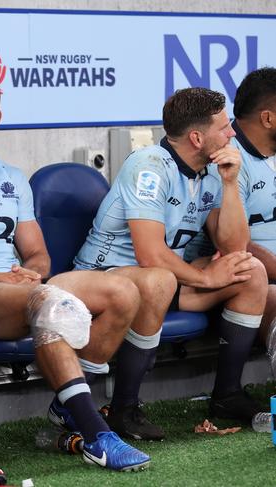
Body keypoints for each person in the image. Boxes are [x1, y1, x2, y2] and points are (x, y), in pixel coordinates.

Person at [0, 70, 155, 471]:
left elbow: (37, 253)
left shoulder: (12, 178)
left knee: (122, 293)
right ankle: (96, 437)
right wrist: (5, 279)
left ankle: (67, 405)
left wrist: (31, 273)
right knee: (48, 302)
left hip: (18, 287)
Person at [74, 87, 269, 422]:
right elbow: (149, 254)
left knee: (249, 270)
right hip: (104, 276)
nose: (232, 133)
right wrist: (206, 277)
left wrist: (231, 184)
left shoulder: (211, 170)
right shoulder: (148, 165)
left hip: (163, 280)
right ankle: (124, 407)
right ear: (196, 137)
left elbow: (235, 246)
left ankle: (227, 395)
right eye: (224, 128)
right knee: (159, 278)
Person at [187, 68, 276, 374]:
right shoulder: (225, 159)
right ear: (268, 118)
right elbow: (235, 246)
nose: (230, 133)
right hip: (241, 278)